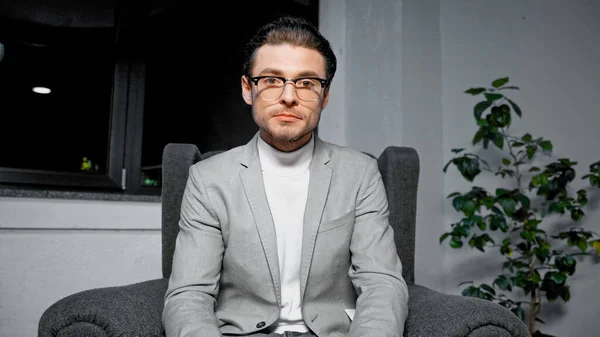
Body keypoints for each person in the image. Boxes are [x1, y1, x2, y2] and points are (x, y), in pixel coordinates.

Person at [162, 15, 409, 337]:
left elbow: (382, 282)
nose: (289, 96)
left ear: (325, 95)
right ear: (248, 89)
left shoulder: (359, 173)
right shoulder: (208, 180)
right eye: (272, 80)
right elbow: (189, 294)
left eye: (307, 83)